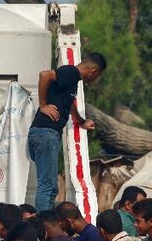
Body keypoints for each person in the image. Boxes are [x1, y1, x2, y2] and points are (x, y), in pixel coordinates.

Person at [29, 53, 106, 212]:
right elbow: (44, 75)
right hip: (46, 133)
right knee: (48, 186)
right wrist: (43, 105)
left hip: (46, 134)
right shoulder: (71, 73)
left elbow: (69, 104)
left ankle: (45, 220)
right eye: (97, 76)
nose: (95, 79)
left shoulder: (72, 82)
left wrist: (81, 121)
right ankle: (43, 224)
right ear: (94, 71)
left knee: (51, 187)